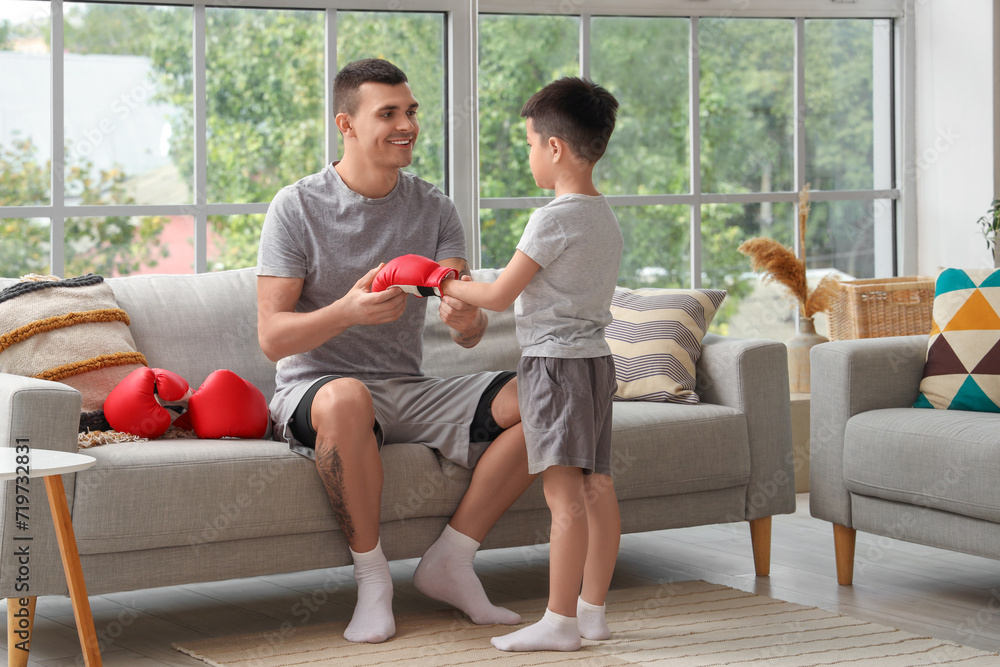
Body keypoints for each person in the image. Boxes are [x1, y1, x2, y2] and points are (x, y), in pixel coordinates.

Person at [255, 58, 536, 644]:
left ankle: (452, 562)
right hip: (319, 390)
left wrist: (466, 320)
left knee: (545, 398)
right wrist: (346, 312)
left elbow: (470, 331)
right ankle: (374, 580)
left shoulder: (434, 209)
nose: (407, 123)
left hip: (408, 388)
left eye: (410, 111)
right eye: (388, 113)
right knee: (349, 398)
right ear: (347, 125)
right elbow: (273, 337)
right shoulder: (296, 207)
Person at [430, 76, 623, 652]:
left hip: (554, 368)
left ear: (556, 148)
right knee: (599, 488)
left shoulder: (552, 217)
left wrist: (443, 283)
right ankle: (591, 612)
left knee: (563, 497)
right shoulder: (603, 215)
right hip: (595, 363)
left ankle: (560, 622)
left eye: (532, 146)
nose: (531, 158)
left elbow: (498, 295)